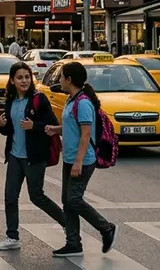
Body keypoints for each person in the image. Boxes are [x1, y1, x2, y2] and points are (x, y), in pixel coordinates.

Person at [46, 61, 116, 258]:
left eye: (61, 77)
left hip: (82, 161)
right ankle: (73, 243)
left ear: (69, 79)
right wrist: (56, 130)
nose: (59, 80)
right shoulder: (71, 100)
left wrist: (78, 161)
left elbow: (86, 134)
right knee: (67, 202)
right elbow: (73, 128)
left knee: (74, 199)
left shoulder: (83, 103)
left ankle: (106, 228)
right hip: (70, 158)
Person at [0, 61, 65, 251]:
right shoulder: (10, 100)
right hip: (15, 156)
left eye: (27, 77)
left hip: (34, 157)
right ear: (12, 80)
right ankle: (12, 236)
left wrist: (35, 127)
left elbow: (53, 126)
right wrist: (1, 125)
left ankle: (68, 224)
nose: (24, 81)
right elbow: (10, 130)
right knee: (10, 196)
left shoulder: (38, 100)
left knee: (37, 196)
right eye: (19, 78)